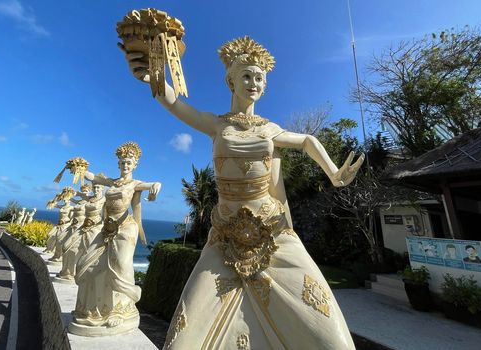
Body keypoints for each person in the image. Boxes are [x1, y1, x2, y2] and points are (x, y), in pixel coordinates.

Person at [120, 35, 363, 349]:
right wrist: (153, 72)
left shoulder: (269, 129)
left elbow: (306, 141)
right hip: (224, 237)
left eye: (260, 77)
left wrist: (332, 172)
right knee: (186, 336)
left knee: (325, 329)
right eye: (246, 75)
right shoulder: (217, 125)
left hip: (273, 232)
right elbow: (174, 102)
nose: (254, 82)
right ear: (230, 80)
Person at [68, 142, 161, 336]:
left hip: (126, 228)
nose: (125, 166)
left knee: (120, 264)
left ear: (134, 165)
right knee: (88, 264)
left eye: (128, 163)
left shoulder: (135, 184)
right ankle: (97, 310)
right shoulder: (113, 182)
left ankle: (121, 309)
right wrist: (80, 168)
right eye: (122, 163)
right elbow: (94, 177)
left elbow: (153, 183)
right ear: (118, 164)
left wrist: (155, 187)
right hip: (107, 228)